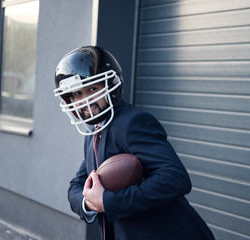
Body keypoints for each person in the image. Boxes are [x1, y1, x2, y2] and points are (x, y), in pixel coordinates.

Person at [54, 46, 215, 240]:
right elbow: (77, 186)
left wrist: (108, 201)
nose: (85, 100)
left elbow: (175, 178)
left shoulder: (132, 122)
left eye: (92, 89)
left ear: (110, 85)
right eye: (78, 94)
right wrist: (89, 203)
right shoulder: (94, 131)